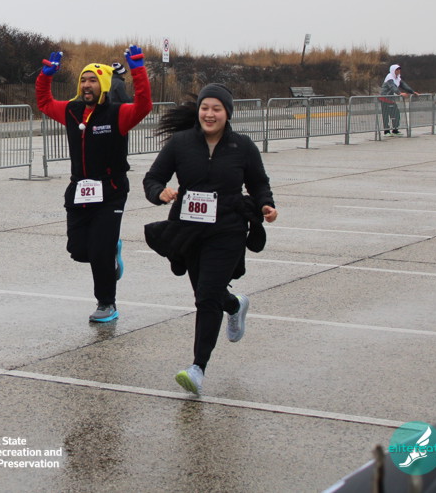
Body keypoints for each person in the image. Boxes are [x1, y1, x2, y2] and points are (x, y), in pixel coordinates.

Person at [142, 83, 278, 396]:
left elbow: (259, 184)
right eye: (205, 108)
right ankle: (235, 304)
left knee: (206, 297)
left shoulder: (242, 146)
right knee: (208, 295)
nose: (209, 114)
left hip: (228, 230)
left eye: (217, 109)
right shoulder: (180, 143)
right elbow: (152, 178)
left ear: (227, 113)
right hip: (189, 230)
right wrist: (159, 193)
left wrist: (266, 205)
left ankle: (197, 368)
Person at [36, 45, 153, 323]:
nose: (87, 85)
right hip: (79, 191)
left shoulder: (117, 113)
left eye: (93, 80)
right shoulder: (72, 110)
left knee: (100, 250)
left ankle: (106, 303)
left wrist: (138, 71)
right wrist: (45, 75)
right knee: (79, 250)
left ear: (104, 84)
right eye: (83, 80)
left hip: (111, 192)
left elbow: (144, 106)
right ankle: (111, 252)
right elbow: (44, 102)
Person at [378, 64, 419, 137]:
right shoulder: (389, 77)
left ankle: (395, 130)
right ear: (393, 70)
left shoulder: (398, 78)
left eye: (399, 69)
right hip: (384, 98)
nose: (399, 71)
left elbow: (404, 85)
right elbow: (392, 87)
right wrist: (399, 93)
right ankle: (386, 131)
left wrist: (412, 92)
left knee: (396, 114)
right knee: (386, 115)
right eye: (397, 70)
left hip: (391, 99)